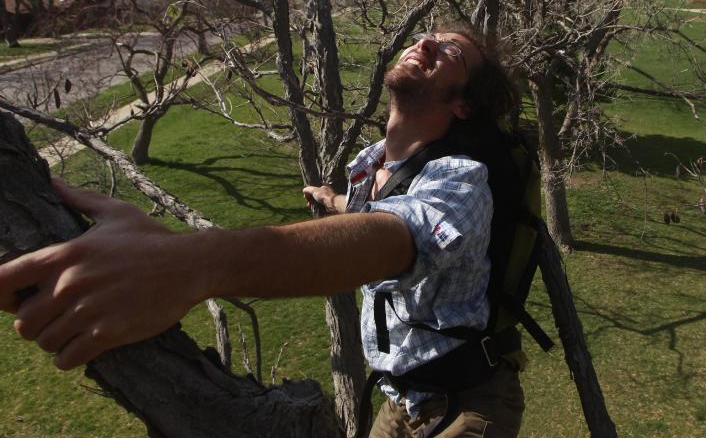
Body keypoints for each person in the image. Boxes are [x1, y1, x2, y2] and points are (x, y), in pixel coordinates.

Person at [0, 26, 524, 438]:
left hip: (466, 406)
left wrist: (184, 264)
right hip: (398, 401)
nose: (426, 41)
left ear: (463, 104)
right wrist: (334, 202)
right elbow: (375, 214)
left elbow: (393, 238)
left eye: (450, 50)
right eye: (427, 36)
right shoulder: (372, 165)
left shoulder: (463, 180)